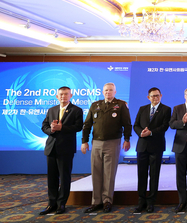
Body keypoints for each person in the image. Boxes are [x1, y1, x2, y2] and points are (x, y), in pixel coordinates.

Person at [82, 82, 132, 213]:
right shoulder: (95, 105)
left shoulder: (121, 105)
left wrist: (127, 139)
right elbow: (87, 124)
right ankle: (96, 201)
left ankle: (107, 201)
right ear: (102, 92)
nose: (108, 92)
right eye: (105, 90)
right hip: (96, 142)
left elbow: (127, 124)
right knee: (96, 171)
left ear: (115, 92)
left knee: (109, 173)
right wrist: (84, 141)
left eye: (110, 90)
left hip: (113, 142)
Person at [40, 86, 83, 215]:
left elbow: (78, 127)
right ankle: (51, 203)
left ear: (71, 95)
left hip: (66, 149)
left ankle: (61, 203)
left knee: (64, 177)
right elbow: (44, 126)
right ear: (57, 96)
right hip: (51, 148)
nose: (63, 96)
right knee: (52, 178)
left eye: (66, 94)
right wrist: (51, 130)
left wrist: (62, 128)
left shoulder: (76, 110)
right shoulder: (51, 109)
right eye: (61, 94)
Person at [133, 87, 172, 213]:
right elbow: (136, 125)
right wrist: (141, 133)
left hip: (156, 146)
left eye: (157, 95)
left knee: (154, 175)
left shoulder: (166, 109)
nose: (155, 98)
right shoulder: (142, 109)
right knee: (141, 174)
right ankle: (141, 201)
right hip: (142, 145)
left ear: (161, 96)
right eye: (153, 96)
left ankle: (151, 202)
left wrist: (151, 133)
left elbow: (165, 126)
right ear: (148, 97)